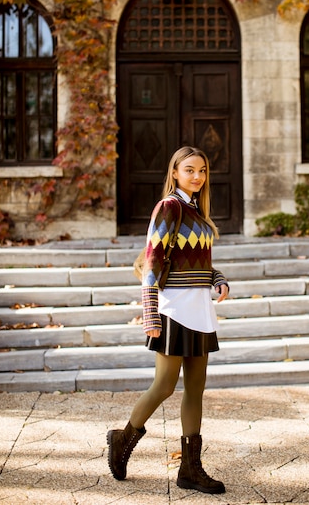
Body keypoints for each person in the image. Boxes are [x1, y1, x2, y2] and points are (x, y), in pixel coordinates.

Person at [107, 146, 229, 494]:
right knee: (163, 385)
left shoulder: (197, 212)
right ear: (175, 172)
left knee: (195, 389)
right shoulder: (169, 207)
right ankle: (122, 438)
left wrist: (218, 278)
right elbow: (153, 261)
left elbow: (198, 260)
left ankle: (191, 469)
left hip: (200, 308)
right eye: (189, 170)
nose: (197, 176)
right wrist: (150, 314)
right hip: (174, 308)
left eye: (202, 171)